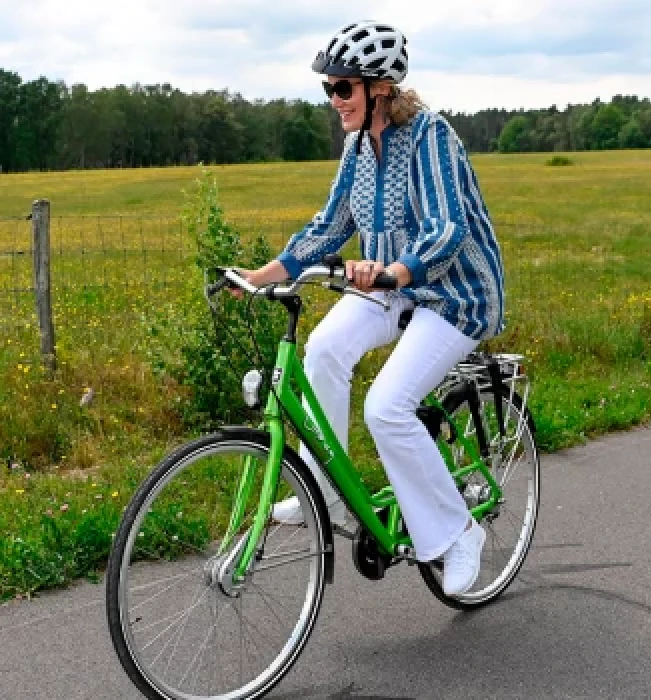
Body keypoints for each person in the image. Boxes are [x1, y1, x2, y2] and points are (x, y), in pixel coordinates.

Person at [237, 20, 506, 596]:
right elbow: (331, 224)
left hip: (455, 293)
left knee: (386, 407)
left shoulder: (431, 136)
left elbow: (447, 228)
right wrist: (261, 275)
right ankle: (322, 487)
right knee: (324, 349)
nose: (334, 101)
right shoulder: (358, 148)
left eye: (342, 88)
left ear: (380, 88)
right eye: (329, 90)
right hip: (389, 287)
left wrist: (395, 271)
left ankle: (459, 533)